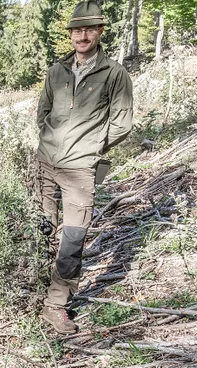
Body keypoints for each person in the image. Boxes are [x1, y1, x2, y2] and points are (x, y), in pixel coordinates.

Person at [35, 0, 133, 334]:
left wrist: (90, 147)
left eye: (89, 28)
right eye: (77, 29)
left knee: (73, 239)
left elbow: (122, 124)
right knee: (41, 229)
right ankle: (37, 289)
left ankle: (56, 305)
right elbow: (42, 112)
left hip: (81, 170)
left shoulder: (115, 74)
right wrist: (49, 142)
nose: (83, 35)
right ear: (71, 33)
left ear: (100, 31)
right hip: (45, 163)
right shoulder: (56, 71)